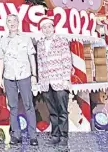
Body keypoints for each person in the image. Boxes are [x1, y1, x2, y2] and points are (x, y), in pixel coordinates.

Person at [0, 14, 38, 146]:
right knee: (13, 107)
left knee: (28, 105)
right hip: (9, 77)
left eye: (14, 21)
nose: (12, 23)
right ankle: (15, 135)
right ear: (6, 24)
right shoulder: (3, 40)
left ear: (18, 23)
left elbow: (32, 57)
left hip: (24, 75)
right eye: (9, 21)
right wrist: (0, 78)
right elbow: (0, 60)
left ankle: (33, 136)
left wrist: (34, 75)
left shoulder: (26, 39)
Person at [37, 17, 72, 147]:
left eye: (49, 27)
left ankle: (64, 136)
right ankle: (55, 135)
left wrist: (66, 79)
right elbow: (40, 64)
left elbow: (67, 61)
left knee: (62, 110)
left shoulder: (61, 41)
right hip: (46, 82)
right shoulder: (40, 44)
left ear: (53, 27)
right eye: (44, 27)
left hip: (60, 81)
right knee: (52, 111)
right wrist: (41, 81)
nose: (46, 29)